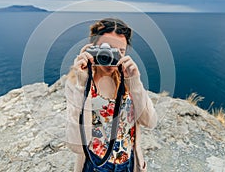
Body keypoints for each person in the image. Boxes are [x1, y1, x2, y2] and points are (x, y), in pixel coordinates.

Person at [65, 18, 158, 172]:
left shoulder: (127, 78)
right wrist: (82, 84)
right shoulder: (78, 83)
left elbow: (150, 121)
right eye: (105, 49)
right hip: (95, 163)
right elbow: (76, 145)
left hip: (128, 162)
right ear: (91, 48)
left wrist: (134, 81)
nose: (110, 57)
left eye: (119, 51)